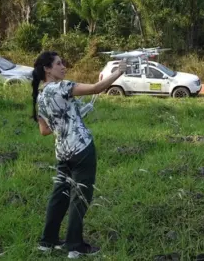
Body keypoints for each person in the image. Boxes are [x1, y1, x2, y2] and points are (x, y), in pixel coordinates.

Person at [31, 51, 126, 259]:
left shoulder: (41, 95)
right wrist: (119, 71)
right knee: (80, 196)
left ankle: (48, 241)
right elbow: (96, 87)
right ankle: (75, 245)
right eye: (58, 64)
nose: (63, 67)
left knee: (60, 196)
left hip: (63, 152)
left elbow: (45, 130)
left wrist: (75, 115)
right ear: (47, 69)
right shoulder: (62, 87)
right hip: (82, 150)